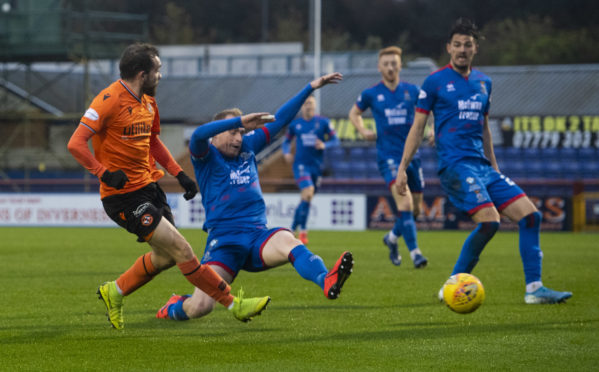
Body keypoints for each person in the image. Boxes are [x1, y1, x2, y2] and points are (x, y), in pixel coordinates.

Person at [67, 43, 270, 329]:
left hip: (149, 188)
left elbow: (152, 141)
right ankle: (234, 304)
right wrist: (104, 173)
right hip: (121, 196)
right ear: (142, 74)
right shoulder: (108, 100)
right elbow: (75, 143)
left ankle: (115, 291)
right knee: (182, 249)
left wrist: (179, 173)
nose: (160, 75)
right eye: (157, 70)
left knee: (165, 257)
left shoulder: (149, 102)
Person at [395, 18, 572, 304]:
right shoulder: (435, 82)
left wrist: (495, 167)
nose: (462, 50)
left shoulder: (483, 82)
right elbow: (417, 128)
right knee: (490, 222)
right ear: (448, 48)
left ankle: (534, 289)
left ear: (475, 49)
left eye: (468, 45)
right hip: (455, 166)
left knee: (531, 216)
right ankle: (453, 284)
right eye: (457, 45)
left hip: (483, 167)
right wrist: (402, 168)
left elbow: (485, 128)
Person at [156, 72, 354, 321]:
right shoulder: (205, 156)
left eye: (241, 132)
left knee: (289, 241)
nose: (238, 138)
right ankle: (173, 307)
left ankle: (326, 280)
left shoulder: (249, 147)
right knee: (200, 307)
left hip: (257, 236)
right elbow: (197, 135)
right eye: (232, 132)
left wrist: (310, 88)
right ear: (216, 136)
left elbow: (280, 119)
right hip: (224, 243)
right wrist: (238, 120)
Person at [348, 46, 428, 269]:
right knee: (405, 201)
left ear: (400, 65)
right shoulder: (371, 94)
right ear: (379, 67)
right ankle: (415, 253)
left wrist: (430, 131)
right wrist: (363, 131)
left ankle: (392, 238)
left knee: (415, 210)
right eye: (386, 63)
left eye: (394, 63)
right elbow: (353, 113)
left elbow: (428, 114)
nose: (391, 67)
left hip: (413, 157)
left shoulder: (413, 91)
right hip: (389, 157)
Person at [282, 95, 340, 245]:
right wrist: (286, 152)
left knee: (306, 198)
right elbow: (286, 142)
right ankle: (303, 231)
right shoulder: (296, 125)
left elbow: (336, 140)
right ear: (302, 106)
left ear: (315, 106)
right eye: (306, 103)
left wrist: (324, 145)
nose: (309, 106)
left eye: (311, 103)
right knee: (308, 191)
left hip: (316, 167)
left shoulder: (323, 122)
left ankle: (293, 229)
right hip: (301, 165)